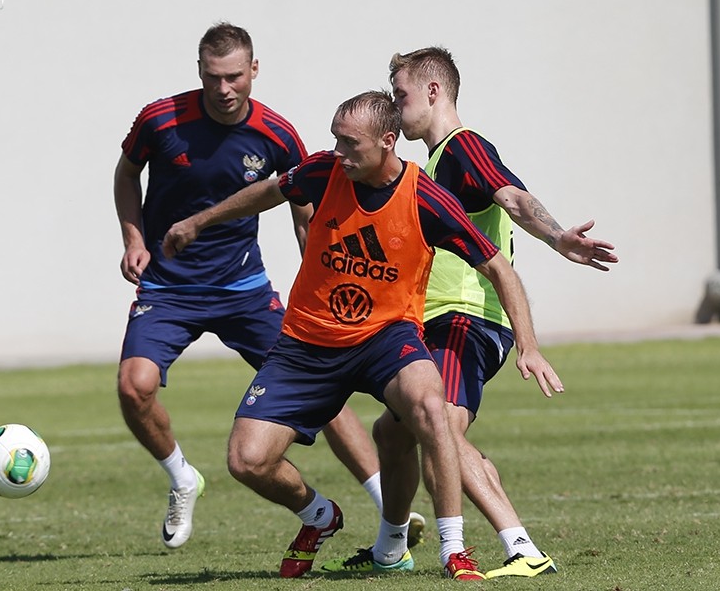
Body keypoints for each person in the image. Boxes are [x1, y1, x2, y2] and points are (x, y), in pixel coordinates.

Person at [162, 90, 563, 579]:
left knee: (431, 408)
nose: (339, 152)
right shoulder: (322, 171)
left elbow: (498, 265)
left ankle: (454, 548)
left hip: (385, 339)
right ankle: (319, 517)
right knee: (247, 460)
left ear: (387, 142)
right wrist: (198, 221)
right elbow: (269, 191)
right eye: (335, 140)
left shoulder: (426, 197)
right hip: (307, 342)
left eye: (350, 143)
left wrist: (530, 346)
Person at [321, 46, 618, 578]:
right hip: (431, 322)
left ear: (433, 92)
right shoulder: (429, 165)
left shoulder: (464, 147)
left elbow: (511, 197)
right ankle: (391, 549)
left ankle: (522, 549)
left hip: (465, 321)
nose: (395, 103)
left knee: (443, 434)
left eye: (401, 93)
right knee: (393, 433)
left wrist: (556, 237)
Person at [113, 22, 380, 551]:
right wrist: (133, 238)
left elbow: (307, 213)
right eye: (213, 77)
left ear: (253, 70)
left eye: (235, 76)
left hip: (245, 291)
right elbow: (126, 174)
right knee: (133, 386)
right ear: (199, 72)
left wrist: (319, 280)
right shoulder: (160, 119)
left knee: (323, 391)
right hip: (168, 288)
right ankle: (183, 478)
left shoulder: (277, 136)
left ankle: (388, 507)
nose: (224, 88)